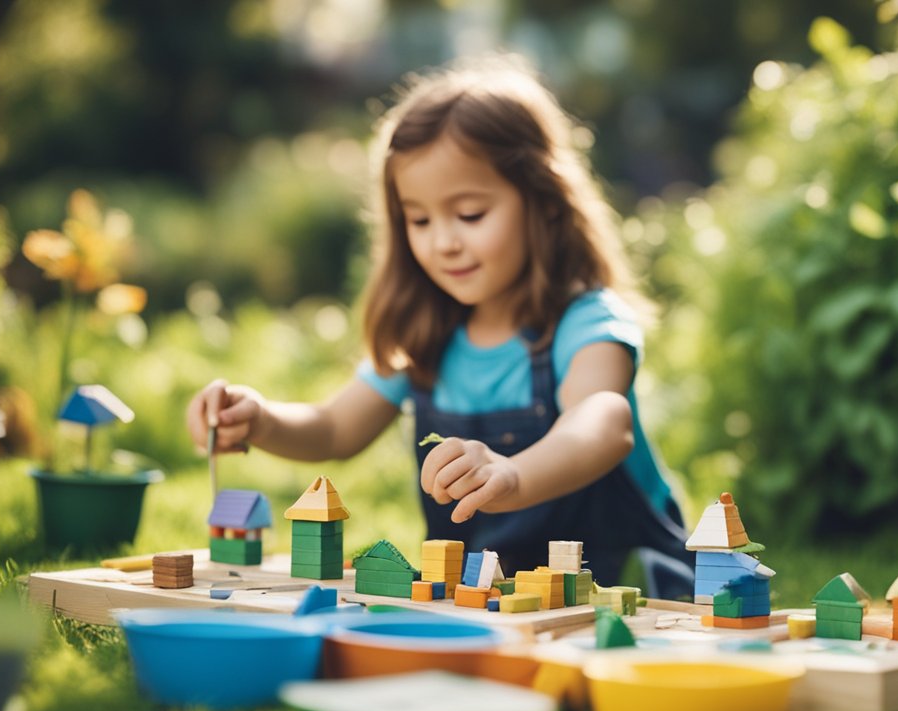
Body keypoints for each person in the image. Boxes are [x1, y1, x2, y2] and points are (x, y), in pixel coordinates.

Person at [186, 55, 694, 597]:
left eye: (470, 214)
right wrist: (259, 420)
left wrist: (513, 475)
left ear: (544, 204)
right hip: (492, 598)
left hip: (630, 596)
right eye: (420, 219)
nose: (443, 241)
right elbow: (334, 427)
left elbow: (603, 421)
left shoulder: (585, 322)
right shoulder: (425, 334)